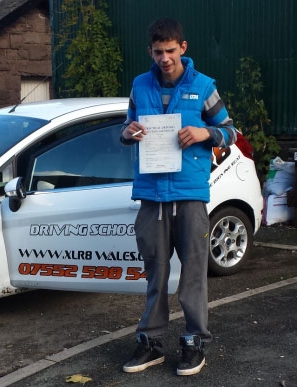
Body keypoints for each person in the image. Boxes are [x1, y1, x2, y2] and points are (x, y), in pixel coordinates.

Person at [120, 17, 237, 376]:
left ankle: (194, 343)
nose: (165, 58)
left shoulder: (203, 87)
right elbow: (125, 130)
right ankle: (151, 343)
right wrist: (128, 131)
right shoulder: (140, 86)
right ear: (150, 51)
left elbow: (231, 132)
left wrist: (205, 133)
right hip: (152, 198)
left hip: (189, 197)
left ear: (183, 48)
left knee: (193, 276)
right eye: (158, 52)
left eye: (171, 50)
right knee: (155, 275)